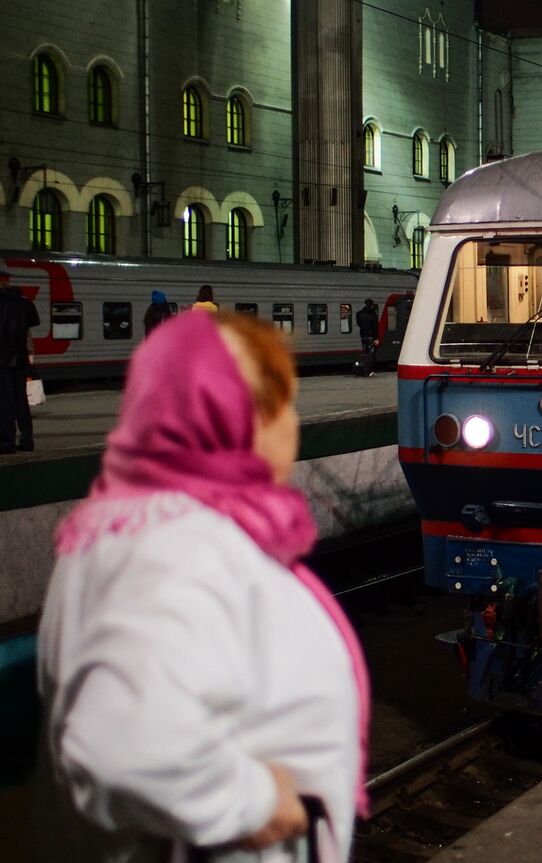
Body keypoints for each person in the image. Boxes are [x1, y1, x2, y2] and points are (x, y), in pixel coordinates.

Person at [35, 311, 368, 861]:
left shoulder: (130, 523)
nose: (292, 423)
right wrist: (257, 804)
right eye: (282, 403)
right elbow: (117, 745)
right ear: (234, 415)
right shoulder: (176, 546)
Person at [0, 268, 40, 454]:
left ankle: (7, 442)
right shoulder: (24, 304)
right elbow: (31, 326)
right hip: (20, 358)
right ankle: (27, 441)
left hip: (2, 360)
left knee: (5, 402)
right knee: (21, 401)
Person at [356, 298, 380, 374]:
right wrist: (376, 338)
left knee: (365, 353)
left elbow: (359, 324)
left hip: (363, 336)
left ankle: (364, 369)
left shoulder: (359, 314)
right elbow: (375, 327)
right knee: (371, 355)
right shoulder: (373, 315)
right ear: (372, 306)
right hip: (371, 337)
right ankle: (369, 370)